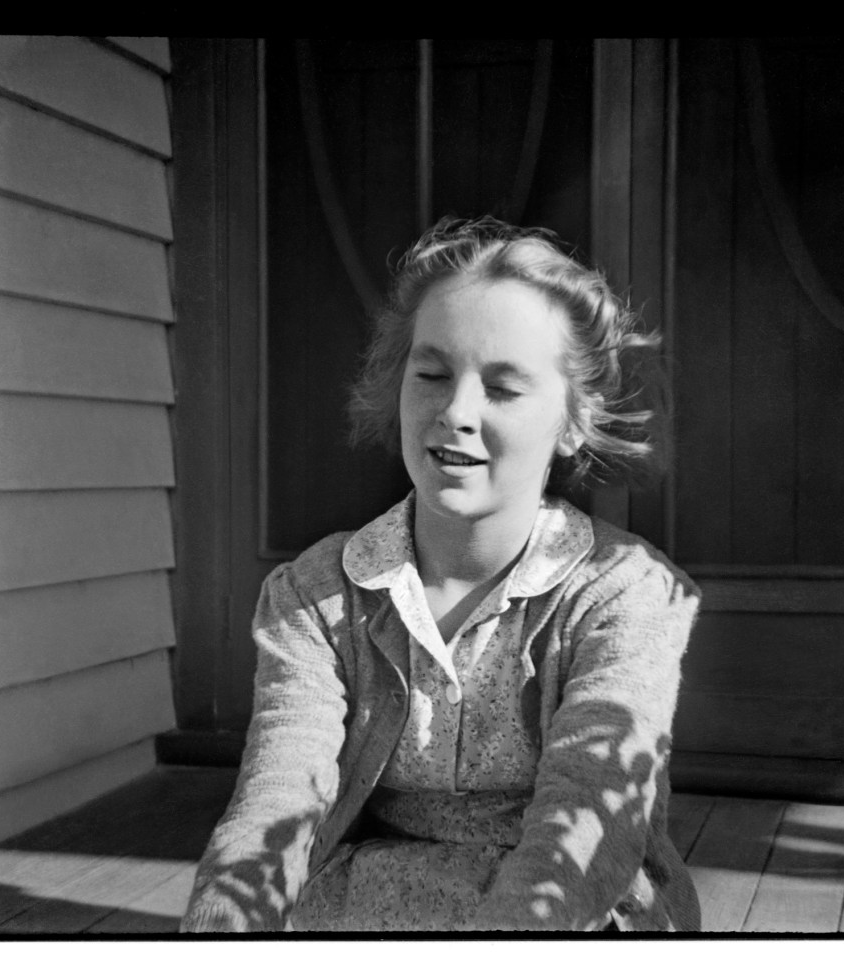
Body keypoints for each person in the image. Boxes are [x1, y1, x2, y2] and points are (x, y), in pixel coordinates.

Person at [180, 216, 701, 933]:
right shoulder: (315, 595)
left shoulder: (625, 593)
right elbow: (278, 800)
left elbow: (587, 823)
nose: (455, 412)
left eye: (504, 388)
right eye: (431, 374)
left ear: (574, 419)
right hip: (366, 908)